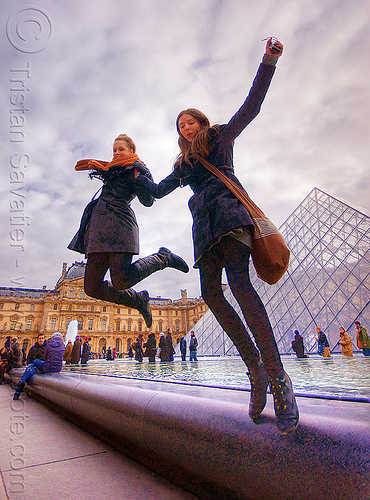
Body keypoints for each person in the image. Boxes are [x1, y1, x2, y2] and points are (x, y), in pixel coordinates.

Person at [132, 39, 298, 435]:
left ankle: (278, 380)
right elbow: (156, 194)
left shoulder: (221, 138)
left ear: (202, 123)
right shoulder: (183, 164)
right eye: (180, 126)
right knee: (209, 294)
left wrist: (268, 62)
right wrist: (132, 170)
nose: (186, 128)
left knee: (240, 285)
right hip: (203, 229)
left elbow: (252, 106)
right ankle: (254, 370)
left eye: (190, 122)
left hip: (230, 218)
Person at [68, 133, 189, 329]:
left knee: (121, 280)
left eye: (120, 150)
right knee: (91, 287)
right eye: (114, 150)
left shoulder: (134, 171)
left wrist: (150, 178)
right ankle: (137, 300)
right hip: (99, 230)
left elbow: (151, 198)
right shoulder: (113, 170)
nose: (116, 153)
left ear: (131, 151)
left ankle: (163, 258)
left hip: (120, 227)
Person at [13, 332, 66, 400]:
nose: (41, 339)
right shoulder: (33, 348)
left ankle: (18, 392)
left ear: (44, 339)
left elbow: (45, 357)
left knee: (29, 370)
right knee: (30, 368)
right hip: (40, 366)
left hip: (42, 365)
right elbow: (29, 358)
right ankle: (19, 389)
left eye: (42, 338)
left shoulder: (48, 346)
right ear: (37, 339)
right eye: (40, 338)